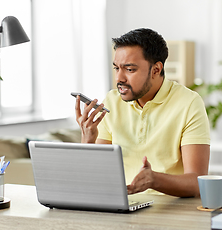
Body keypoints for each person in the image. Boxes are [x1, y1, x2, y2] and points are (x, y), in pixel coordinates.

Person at [75, 28, 210, 198]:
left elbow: (197, 182)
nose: (119, 78)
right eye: (117, 68)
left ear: (156, 70)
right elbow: (97, 177)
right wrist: (87, 140)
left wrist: (154, 180)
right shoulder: (111, 101)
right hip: (121, 203)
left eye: (130, 70)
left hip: (172, 208)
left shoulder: (189, 103)